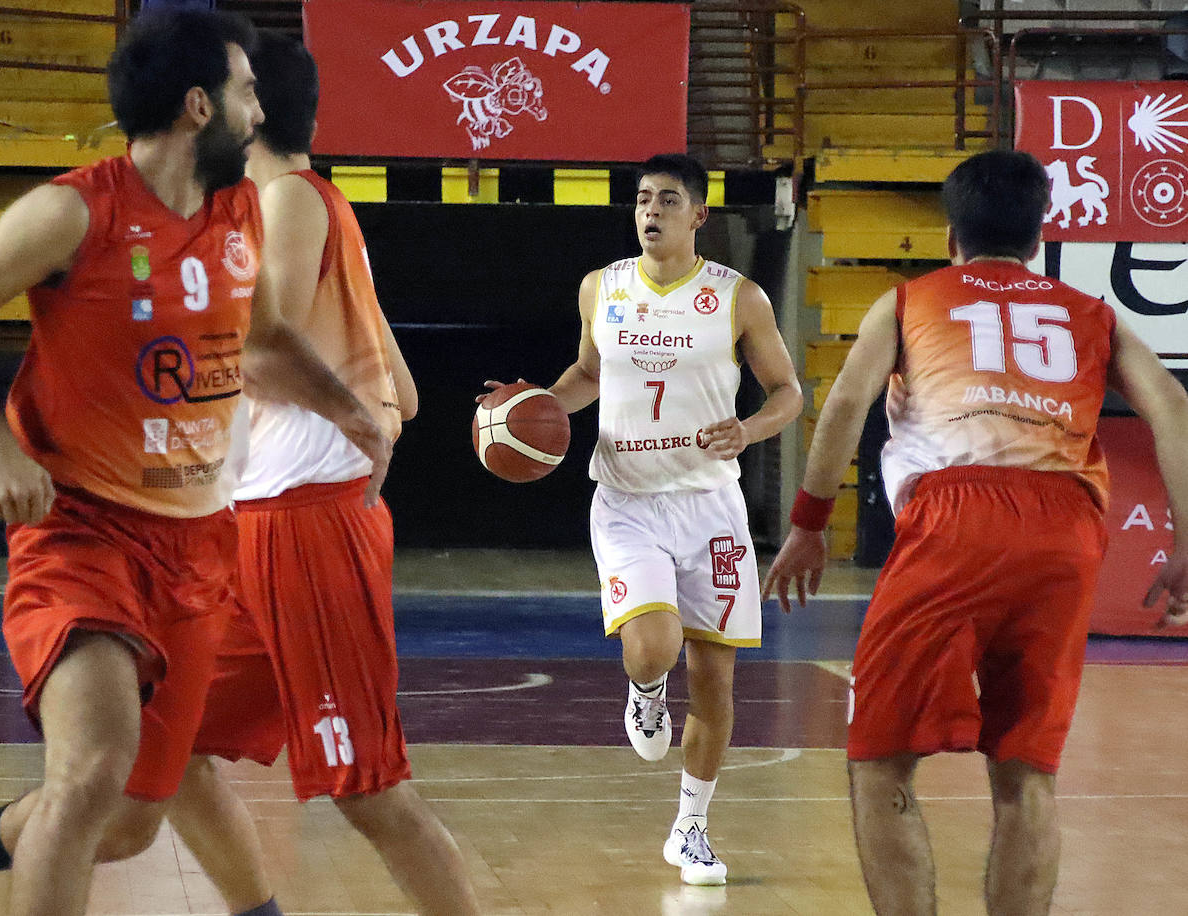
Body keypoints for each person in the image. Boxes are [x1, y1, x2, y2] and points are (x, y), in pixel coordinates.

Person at [0, 12, 389, 916]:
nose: (260, 112)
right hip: (81, 532)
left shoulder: (236, 215)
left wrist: (353, 414)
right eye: (245, 91)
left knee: (133, 819)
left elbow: (263, 335)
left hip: (196, 547)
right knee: (92, 772)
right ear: (198, 107)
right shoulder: (72, 211)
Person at [762, 149, 1188, 915]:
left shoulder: (909, 301)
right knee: (1028, 772)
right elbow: (1174, 411)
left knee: (879, 760)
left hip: (955, 516)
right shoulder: (1091, 313)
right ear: (1038, 237)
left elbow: (844, 407)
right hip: (1066, 527)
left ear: (951, 237)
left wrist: (809, 524)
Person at [164, 32, 481, 916]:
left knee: (366, 785)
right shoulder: (315, 205)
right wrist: (365, 404)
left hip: (307, 519)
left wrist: (177, 352)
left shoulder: (289, 203)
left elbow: (262, 356)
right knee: (166, 737)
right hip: (265, 522)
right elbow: (406, 394)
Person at [482, 153, 802, 885]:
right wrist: (530, 408)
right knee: (653, 649)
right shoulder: (604, 287)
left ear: (699, 216)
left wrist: (748, 431)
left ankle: (691, 827)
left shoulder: (737, 298)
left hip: (712, 507)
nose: (649, 211)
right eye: (640, 200)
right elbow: (588, 375)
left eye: (666, 200)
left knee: (717, 682)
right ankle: (646, 690)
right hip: (628, 501)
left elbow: (788, 391)